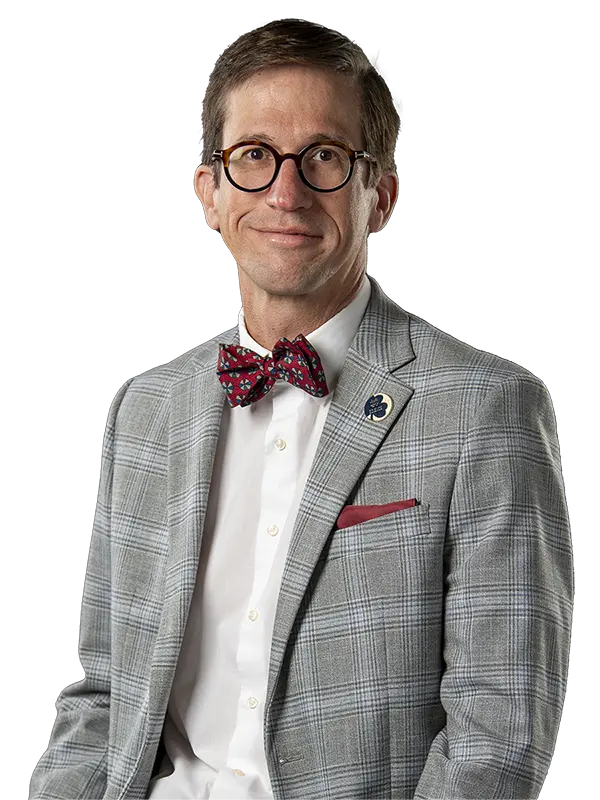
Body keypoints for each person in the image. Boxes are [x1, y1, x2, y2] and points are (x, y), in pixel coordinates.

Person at [29, 16, 573, 800]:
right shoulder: (146, 413)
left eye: (322, 157)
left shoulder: (488, 412)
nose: (285, 192)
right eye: (253, 156)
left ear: (379, 195)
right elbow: (105, 695)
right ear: (208, 193)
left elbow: (498, 738)